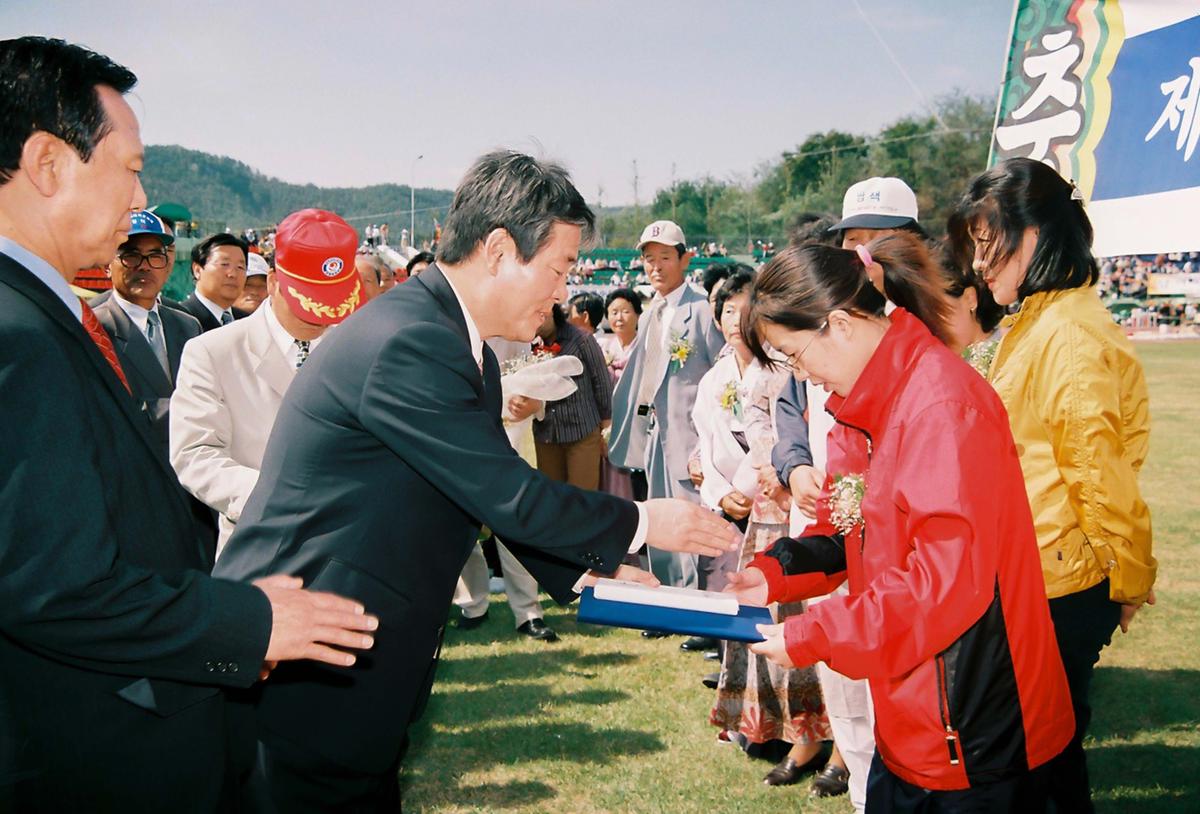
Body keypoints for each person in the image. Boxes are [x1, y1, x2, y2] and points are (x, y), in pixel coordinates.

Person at [212, 150, 739, 811]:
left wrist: (583, 577)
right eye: (557, 269)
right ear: (497, 250)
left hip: (359, 667)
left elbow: (482, 492)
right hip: (306, 666)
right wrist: (641, 521)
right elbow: (508, 496)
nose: (561, 292)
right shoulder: (410, 339)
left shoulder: (466, 351)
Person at [0, 36, 377, 812]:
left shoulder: (38, 313)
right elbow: (55, 587)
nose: (141, 190)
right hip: (92, 751)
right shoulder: (17, 334)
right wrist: (247, 620)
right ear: (46, 164)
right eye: (131, 167)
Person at [727, 236, 1074, 810]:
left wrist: (814, 633)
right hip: (914, 715)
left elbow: (943, 585)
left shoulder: (940, 407)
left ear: (839, 324)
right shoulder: (859, 410)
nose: (802, 376)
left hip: (979, 724)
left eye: (794, 356)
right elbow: (842, 530)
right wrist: (773, 575)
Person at [949, 157, 1156, 812]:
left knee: (1034, 768)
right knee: (1043, 764)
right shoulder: (1039, 320)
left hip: (1057, 583)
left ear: (1035, 233)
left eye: (989, 245)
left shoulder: (1065, 332)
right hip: (1032, 575)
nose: (979, 266)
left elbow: (1098, 472)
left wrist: (1127, 580)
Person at [695, 270, 830, 786]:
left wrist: (776, 477)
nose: (738, 319)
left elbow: (784, 432)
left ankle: (823, 736)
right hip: (764, 509)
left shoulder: (789, 362)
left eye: (746, 308)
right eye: (728, 310)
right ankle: (778, 726)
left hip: (796, 504)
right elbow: (711, 438)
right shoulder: (720, 374)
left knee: (805, 614)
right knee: (769, 617)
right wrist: (726, 489)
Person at [171, 209, 360, 555]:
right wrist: (278, 496)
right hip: (259, 547)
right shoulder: (213, 352)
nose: (319, 320)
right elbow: (194, 454)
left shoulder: (357, 347)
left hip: (348, 549)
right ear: (274, 283)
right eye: (308, 302)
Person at [608, 220, 727, 590]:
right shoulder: (651, 314)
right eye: (649, 259)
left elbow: (721, 370)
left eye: (664, 257)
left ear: (685, 259)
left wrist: (709, 440)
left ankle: (697, 604)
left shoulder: (702, 311)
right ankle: (667, 598)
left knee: (692, 521)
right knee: (659, 519)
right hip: (655, 434)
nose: (656, 267)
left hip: (690, 439)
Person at [91, 209, 202, 454]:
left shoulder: (188, 326)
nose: (145, 267)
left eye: (155, 256)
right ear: (107, 265)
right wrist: (193, 412)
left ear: (167, 266)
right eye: (131, 255)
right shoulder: (94, 328)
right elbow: (104, 411)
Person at [527, 303, 612, 491]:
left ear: (552, 311)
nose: (537, 323)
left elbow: (601, 381)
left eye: (541, 316)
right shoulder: (529, 343)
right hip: (547, 433)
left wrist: (606, 425)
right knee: (552, 495)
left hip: (582, 431)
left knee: (583, 496)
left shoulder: (582, 339)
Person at [597, 288, 643, 501]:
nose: (619, 318)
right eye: (614, 312)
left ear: (637, 314)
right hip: (608, 423)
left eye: (625, 311)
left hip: (637, 425)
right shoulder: (602, 346)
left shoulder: (645, 348)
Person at [180, 232, 250, 330]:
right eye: (224, 264)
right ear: (197, 270)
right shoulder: (180, 319)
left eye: (240, 267)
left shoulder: (247, 322)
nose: (232, 274)